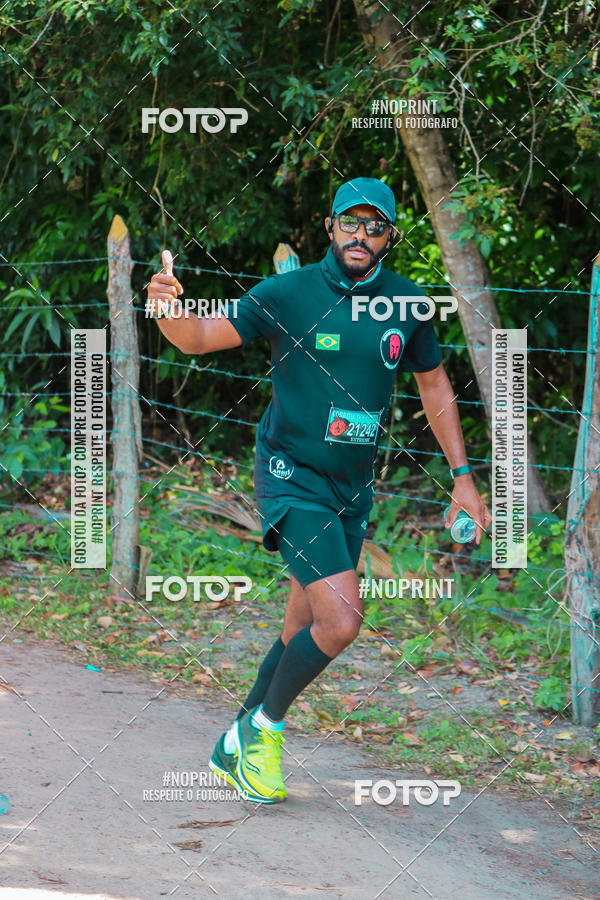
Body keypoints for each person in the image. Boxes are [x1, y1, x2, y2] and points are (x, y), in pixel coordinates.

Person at [146, 177, 492, 805]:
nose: (361, 235)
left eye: (375, 225)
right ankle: (264, 730)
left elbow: (435, 388)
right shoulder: (289, 293)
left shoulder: (407, 305)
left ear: (391, 236)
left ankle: (232, 744)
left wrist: (464, 481)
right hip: (290, 476)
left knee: (299, 624)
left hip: (352, 489)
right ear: (330, 227)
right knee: (341, 619)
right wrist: (168, 309)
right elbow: (200, 337)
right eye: (350, 222)